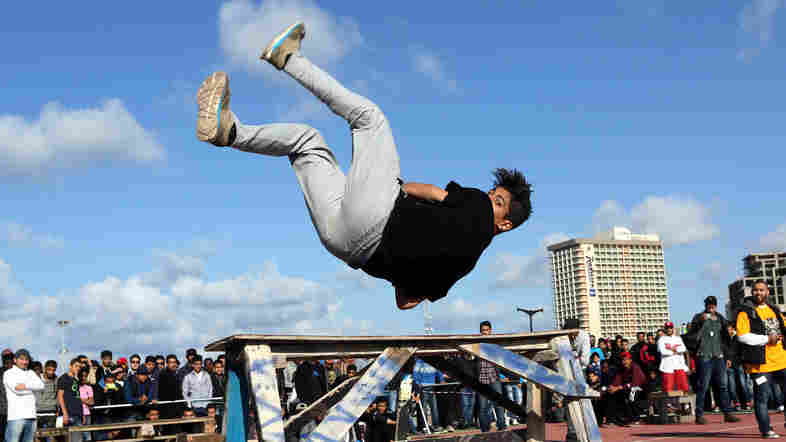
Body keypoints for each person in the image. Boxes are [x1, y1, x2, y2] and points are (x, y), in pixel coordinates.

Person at [195, 21, 533, 311]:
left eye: (498, 201)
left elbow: (430, 192)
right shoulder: (457, 273)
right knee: (305, 142)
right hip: (345, 246)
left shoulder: (476, 206)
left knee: (370, 120)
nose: (490, 197)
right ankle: (231, 132)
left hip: (379, 215)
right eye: (493, 194)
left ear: (503, 224)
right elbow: (405, 301)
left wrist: (397, 186)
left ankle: (288, 58)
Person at [736, 280, 786, 439]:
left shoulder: (774, 310)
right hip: (760, 365)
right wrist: (766, 339)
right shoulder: (746, 312)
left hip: (781, 360)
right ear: (752, 292)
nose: (758, 293)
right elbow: (742, 336)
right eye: (756, 290)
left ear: (768, 292)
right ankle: (766, 429)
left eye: (762, 290)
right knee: (762, 398)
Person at [685, 295, 740, 424]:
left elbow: (726, 339)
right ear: (705, 305)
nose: (711, 306)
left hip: (719, 356)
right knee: (703, 386)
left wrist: (728, 357)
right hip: (704, 356)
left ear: (716, 305)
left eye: (713, 304)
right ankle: (699, 415)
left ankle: (727, 413)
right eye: (709, 304)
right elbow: (691, 334)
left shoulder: (721, 318)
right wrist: (700, 321)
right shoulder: (698, 317)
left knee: (723, 386)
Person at [3, 349, 44, 442]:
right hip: (16, 417)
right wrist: (32, 389)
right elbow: (17, 389)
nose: (24, 362)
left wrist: (25, 386)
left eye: (26, 359)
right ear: (15, 360)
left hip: (31, 416)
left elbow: (41, 385)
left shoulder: (31, 372)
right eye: (21, 359)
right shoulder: (9, 373)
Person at [57, 358, 84, 442]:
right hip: (68, 414)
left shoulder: (76, 380)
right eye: (76, 366)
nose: (78, 368)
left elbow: (77, 397)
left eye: (79, 367)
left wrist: (82, 413)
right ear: (70, 366)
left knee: (78, 440)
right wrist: (65, 413)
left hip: (77, 414)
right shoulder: (63, 378)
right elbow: (60, 396)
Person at [34, 361, 58, 431]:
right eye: (49, 369)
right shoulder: (36, 378)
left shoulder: (56, 380)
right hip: (37, 413)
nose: (51, 372)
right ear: (45, 368)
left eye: (53, 370)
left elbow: (58, 395)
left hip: (51, 413)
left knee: (52, 437)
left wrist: (57, 409)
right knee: (37, 437)